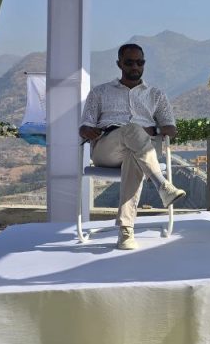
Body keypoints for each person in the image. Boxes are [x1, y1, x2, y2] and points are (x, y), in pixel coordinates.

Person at [79, 43, 187, 250]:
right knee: (132, 130)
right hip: (107, 148)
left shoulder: (156, 95)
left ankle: (125, 231)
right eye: (129, 62)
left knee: (134, 152)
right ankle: (162, 185)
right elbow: (85, 126)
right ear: (119, 64)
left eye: (140, 62)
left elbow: (171, 129)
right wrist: (87, 131)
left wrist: (152, 130)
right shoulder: (100, 92)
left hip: (141, 150)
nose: (135, 66)